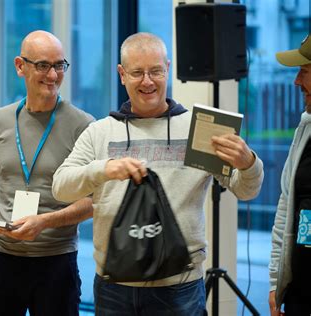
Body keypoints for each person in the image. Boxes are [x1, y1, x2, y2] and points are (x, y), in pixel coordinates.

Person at [52, 32, 264, 315]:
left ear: (168, 69)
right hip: (114, 287)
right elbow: (60, 187)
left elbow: (246, 190)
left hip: (180, 287)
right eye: (137, 72)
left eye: (155, 71)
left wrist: (249, 163)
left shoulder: (198, 129)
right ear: (122, 74)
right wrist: (104, 169)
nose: (148, 81)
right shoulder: (100, 132)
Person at [0, 30, 94, 316]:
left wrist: (45, 221)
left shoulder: (84, 126)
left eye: (59, 65)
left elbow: (93, 201)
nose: (52, 75)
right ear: (20, 66)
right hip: (1, 260)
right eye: (42, 65)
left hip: (56, 263)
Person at [269, 34, 311, 316]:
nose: (297, 81)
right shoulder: (304, 129)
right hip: (300, 294)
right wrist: (276, 283)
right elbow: (287, 207)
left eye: (304, 72)